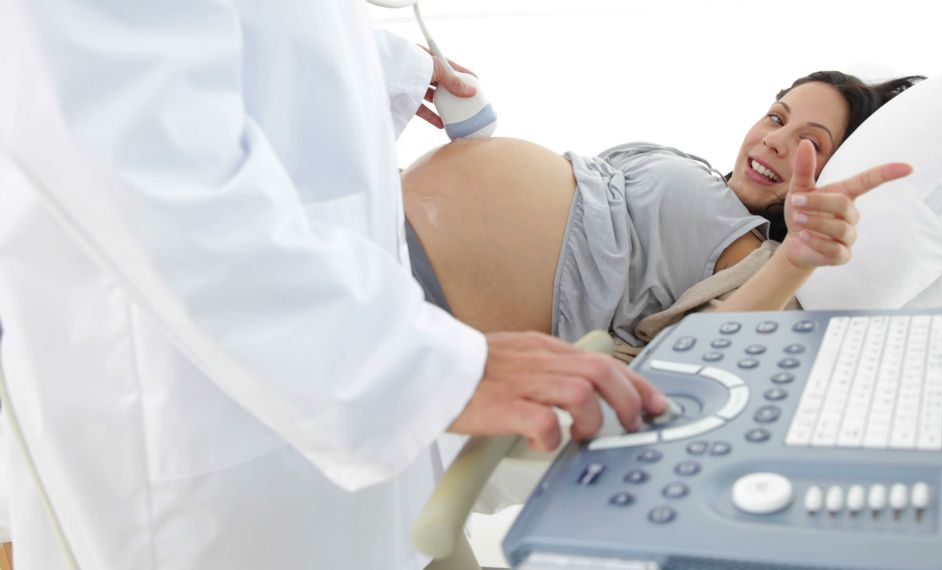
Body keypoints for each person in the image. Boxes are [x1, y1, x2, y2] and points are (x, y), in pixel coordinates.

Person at [0, 1, 667, 569]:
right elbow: (137, 148)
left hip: (346, 384)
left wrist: (370, 61)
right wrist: (426, 370)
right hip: (205, 435)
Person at [402, 71, 923, 345]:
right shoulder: (690, 168)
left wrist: (796, 258)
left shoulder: (759, 263)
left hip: (430, 298)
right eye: (775, 117)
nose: (775, 141)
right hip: (383, 213)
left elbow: (721, 341)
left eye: (809, 140)